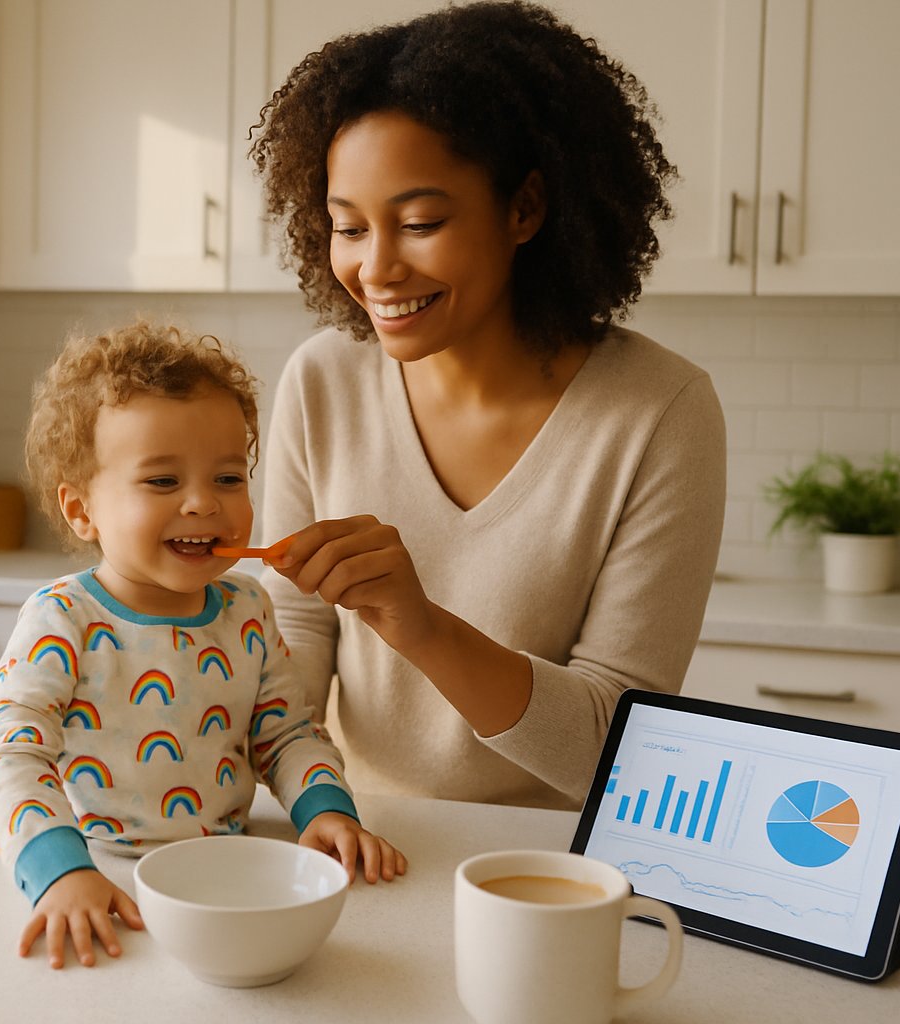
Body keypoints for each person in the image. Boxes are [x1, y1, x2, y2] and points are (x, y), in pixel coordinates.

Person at [248, 1, 727, 810]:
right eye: (348, 227)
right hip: (364, 838)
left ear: (525, 209)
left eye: (421, 222)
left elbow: (618, 744)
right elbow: (296, 634)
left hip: (555, 875)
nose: (376, 269)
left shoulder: (658, 412)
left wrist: (420, 625)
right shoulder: (322, 380)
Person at [0, 320, 406, 971]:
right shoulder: (61, 618)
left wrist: (324, 811)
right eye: (161, 482)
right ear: (81, 510)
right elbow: (14, 756)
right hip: (103, 877)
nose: (204, 504)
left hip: (223, 881)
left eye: (229, 479)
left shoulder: (247, 606)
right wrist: (61, 873)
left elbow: (286, 733)